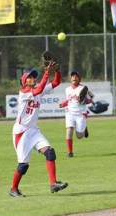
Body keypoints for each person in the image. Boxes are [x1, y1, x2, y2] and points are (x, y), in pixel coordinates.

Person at [9, 61, 68, 198]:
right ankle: (13, 189)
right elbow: (39, 90)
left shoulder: (37, 90)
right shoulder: (24, 92)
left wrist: (57, 71)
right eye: (29, 77)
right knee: (23, 166)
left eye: (34, 77)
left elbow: (56, 82)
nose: (32, 78)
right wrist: (47, 72)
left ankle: (53, 184)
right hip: (21, 133)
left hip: (34, 131)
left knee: (50, 153)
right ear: (23, 81)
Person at [59, 71, 94, 158]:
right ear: (70, 79)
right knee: (69, 131)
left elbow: (90, 99)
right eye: (72, 76)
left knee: (79, 136)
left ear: (79, 78)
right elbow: (68, 100)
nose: (74, 77)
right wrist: (63, 104)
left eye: (76, 76)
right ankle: (70, 152)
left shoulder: (83, 89)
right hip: (70, 113)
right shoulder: (67, 89)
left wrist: (84, 100)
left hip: (80, 114)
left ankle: (84, 127)